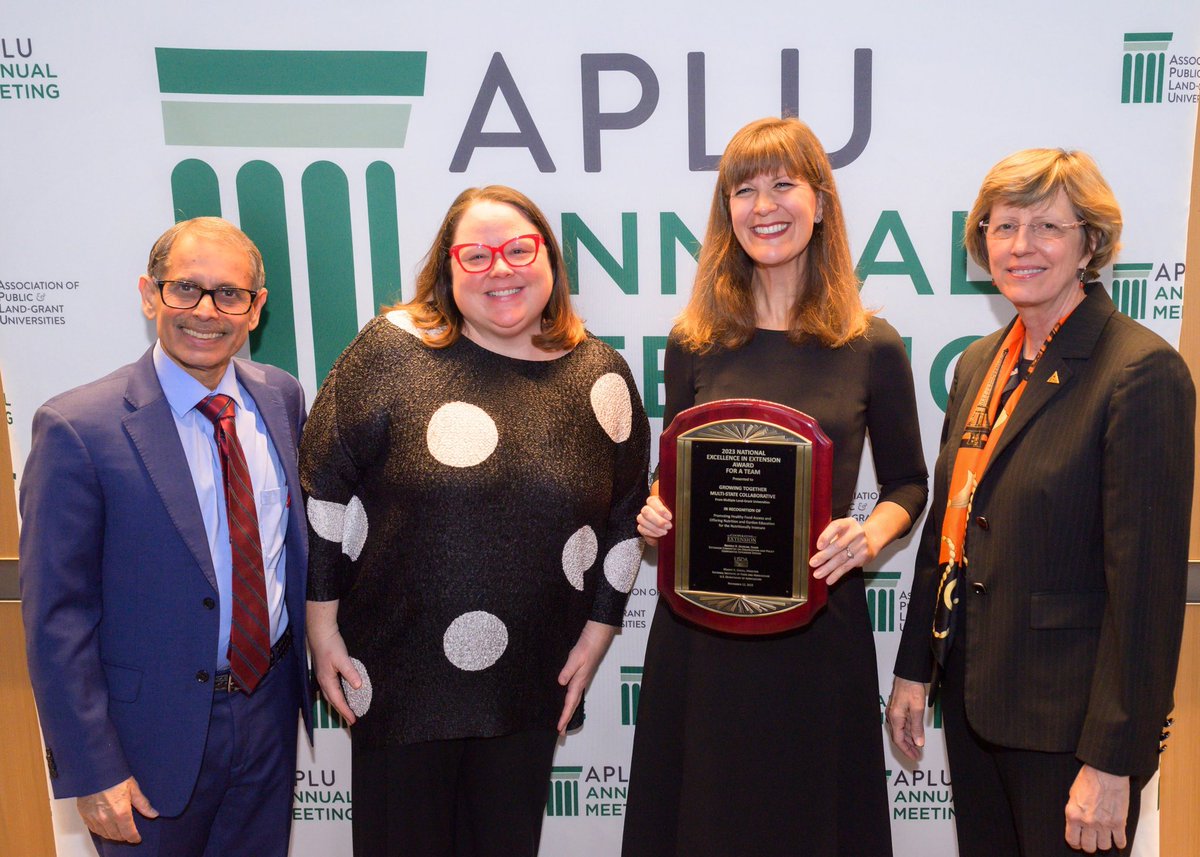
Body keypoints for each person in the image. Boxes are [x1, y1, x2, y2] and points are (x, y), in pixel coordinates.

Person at [301, 185, 650, 856]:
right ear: (446, 269)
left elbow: (626, 511)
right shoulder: (391, 349)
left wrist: (601, 630)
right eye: (476, 253)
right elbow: (325, 484)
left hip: (529, 680)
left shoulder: (601, 374)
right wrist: (321, 626)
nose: (501, 268)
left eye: (520, 248)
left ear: (548, 260)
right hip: (398, 675)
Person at [622, 116, 928, 857]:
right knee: (700, 818)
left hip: (818, 632)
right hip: (702, 632)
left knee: (812, 819)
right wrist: (658, 509)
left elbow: (909, 483)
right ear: (727, 210)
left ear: (820, 201)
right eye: (744, 189)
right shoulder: (692, 340)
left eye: (784, 184)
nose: (765, 205)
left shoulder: (871, 344)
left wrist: (871, 533)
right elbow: (676, 469)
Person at [887, 148, 1194, 857]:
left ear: (1090, 242)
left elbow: (1145, 589)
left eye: (1046, 226)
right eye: (1003, 226)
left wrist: (1114, 758)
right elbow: (949, 529)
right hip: (975, 704)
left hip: (1072, 731)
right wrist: (914, 669)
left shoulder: (1139, 371)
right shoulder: (979, 363)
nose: (1021, 246)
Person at [20, 217, 310, 856]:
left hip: (265, 717)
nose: (207, 312)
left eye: (230, 294)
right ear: (150, 295)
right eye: (186, 289)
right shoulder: (77, 428)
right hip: (145, 742)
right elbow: (57, 618)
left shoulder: (281, 399)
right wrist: (92, 768)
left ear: (256, 309)